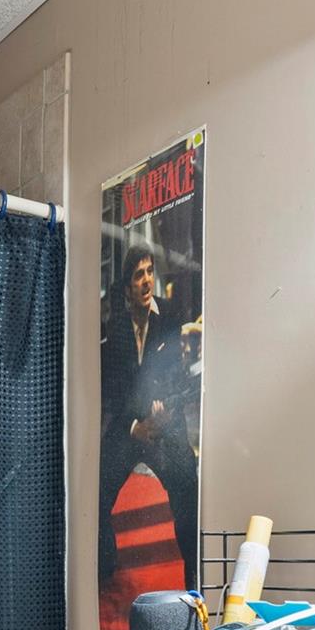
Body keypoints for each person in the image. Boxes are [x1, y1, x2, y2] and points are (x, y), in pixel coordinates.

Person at [99, 245, 199, 592]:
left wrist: (165, 410)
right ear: (128, 287)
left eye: (149, 272)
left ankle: (194, 579)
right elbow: (113, 386)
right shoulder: (116, 327)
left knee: (187, 490)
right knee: (97, 489)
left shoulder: (170, 316)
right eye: (138, 275)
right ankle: (104, 567)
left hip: (166, 424)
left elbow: (181, 375)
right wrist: (133, 428)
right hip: (130, 427)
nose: (146, 281)